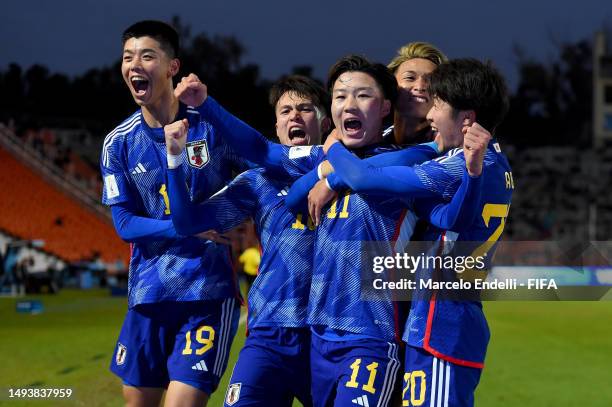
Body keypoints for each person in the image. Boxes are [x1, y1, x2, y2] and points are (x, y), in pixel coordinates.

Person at [185, 55, 485, 407]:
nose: (349, 105)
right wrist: (204, 105)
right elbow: (283, 179)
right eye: (340, 96)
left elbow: (394, 187)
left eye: (362, 95)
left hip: (370, 336)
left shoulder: (411, 160)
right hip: (318, 337)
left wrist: (334, 167)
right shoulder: (317, 156)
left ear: (386, 106)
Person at [320, 58, 513, 407]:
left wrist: (332, 149)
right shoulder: (497, 164)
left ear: (467, 119)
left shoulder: (456, 163)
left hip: (442, 324)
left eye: (437, 105)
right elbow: (448, 217)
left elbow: (363, 179)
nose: (430, 115)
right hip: (445, 324)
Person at [100, 20, 245, 407]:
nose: (134, 65)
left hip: (207, 293)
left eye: (147, 56)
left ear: (172, 67)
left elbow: (262, 164)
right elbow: (125, 223)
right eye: (128, 57)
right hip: (148, 294)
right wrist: (187, 229)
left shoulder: (210, 129)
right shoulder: (118, 144)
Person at [164, 75, 330, 406]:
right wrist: (174, 160)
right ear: (277, 126)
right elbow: (187, 222)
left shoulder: (349, 170)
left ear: (326, 123)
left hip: (329, 336)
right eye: (285, 111)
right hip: (269, 335)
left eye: (305, 108)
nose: (294, 116)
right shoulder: (257, 182)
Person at [386, 41, 447, 145]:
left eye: (431, 80)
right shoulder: (362, 140)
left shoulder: (455, 148)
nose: (420, 87)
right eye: (410, 78)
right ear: (391, 85)